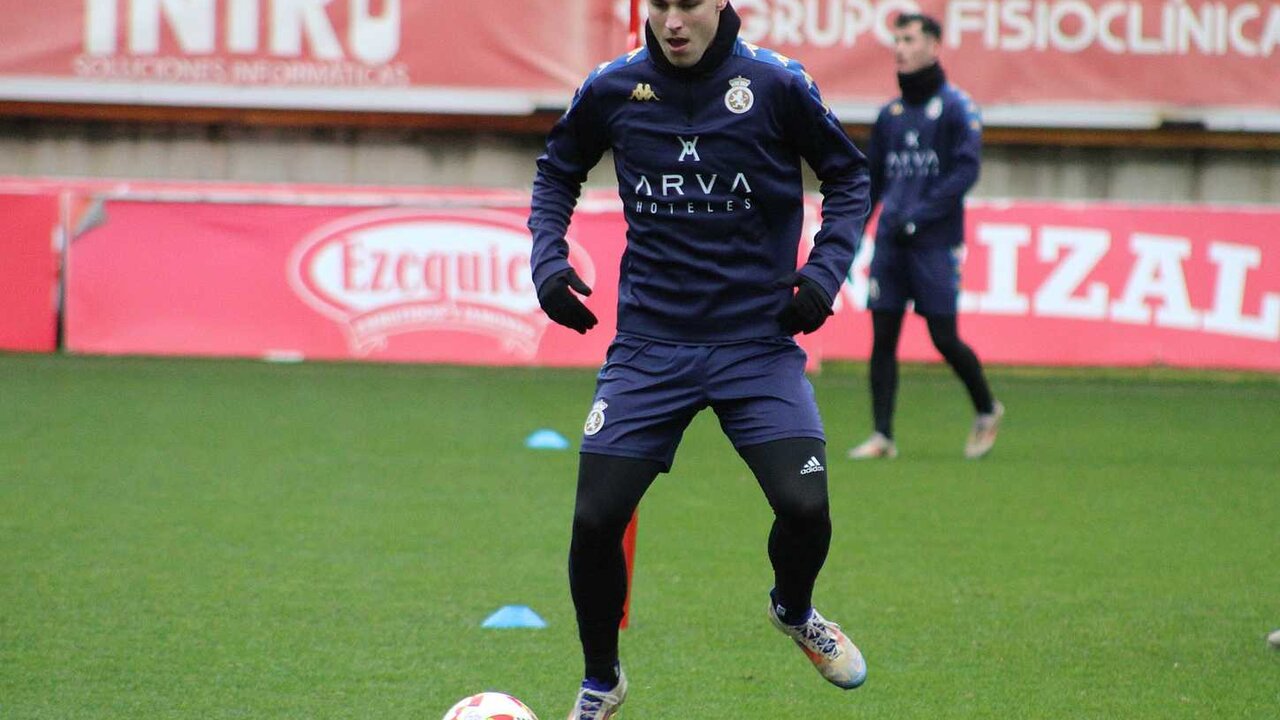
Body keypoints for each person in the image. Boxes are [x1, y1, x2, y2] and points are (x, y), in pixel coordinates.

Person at [528, 1, 870, 717]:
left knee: (806, 510)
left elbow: (849, 178)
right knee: (595, 521)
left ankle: (794, 609)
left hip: (757, 345)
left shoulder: (775, 85)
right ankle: (601, 680)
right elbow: (558, 171)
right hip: (651, 346)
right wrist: (548, 263)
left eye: (688, 4)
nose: (673, 21)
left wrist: (824, 274)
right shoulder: (613, 87)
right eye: (659, 4)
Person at [847, 12, 1004, 462]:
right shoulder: (890, 115)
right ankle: (882, 435)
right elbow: (873, 181)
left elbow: (965, 170)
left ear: (934, 46)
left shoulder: (956, 107)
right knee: (882, 336)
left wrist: (921, 215)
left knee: (943, 337)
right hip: (892, 243)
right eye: (896, 39)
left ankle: (987, 408)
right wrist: (855, 231)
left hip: (934, 242)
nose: (900, 47)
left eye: (910, 39)